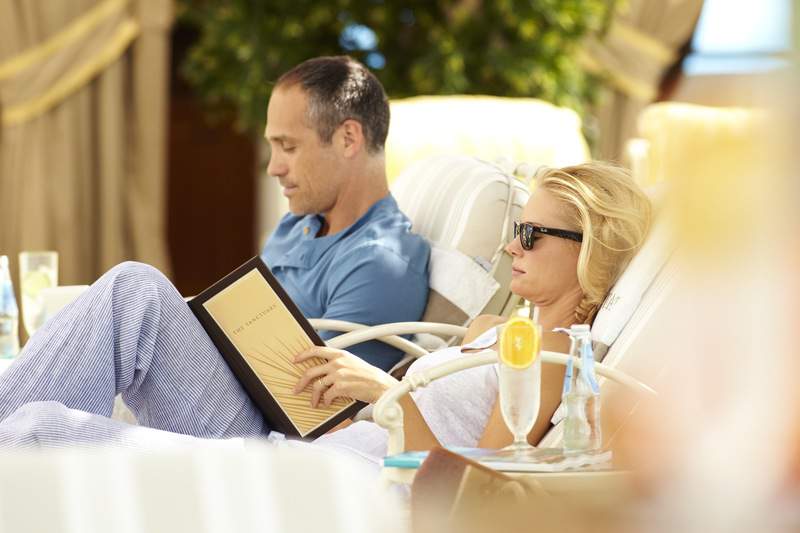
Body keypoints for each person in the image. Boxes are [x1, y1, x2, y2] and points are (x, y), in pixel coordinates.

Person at [0, 162, 650, 458]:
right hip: (304, 431)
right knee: (136, 290)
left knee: (40, 429)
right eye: (515, 228)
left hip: (325, 477)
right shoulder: (491, 328)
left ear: (590, 248)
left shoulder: (552, 358)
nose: (511, 246)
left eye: (531, 234)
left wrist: (381, 391)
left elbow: (478, 484)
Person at [260, 55, 430, 371]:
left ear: (348, 139)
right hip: (220, 380)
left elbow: (310, 394)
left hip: (249, 400)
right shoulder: (296, 224)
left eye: (289, 147)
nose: (274, 168)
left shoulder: (378, 262)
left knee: (155, 290)